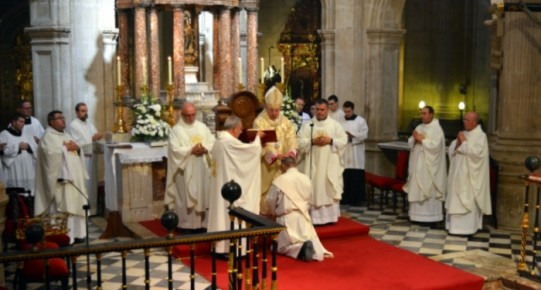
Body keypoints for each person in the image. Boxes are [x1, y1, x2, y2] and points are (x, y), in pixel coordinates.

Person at [207, 115, 263, 255]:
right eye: (239, 129)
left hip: (220, 186)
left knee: (220, 213)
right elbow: (251, 152)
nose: (241, 131)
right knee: (229, 213)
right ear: (233, 129)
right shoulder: (229, 142)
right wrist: (258, 138)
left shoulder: (219, 140)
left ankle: (219, 247)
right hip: (228, 190)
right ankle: (230, 248)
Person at [34, 110, 88, 244]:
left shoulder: (65, 134)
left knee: (75, 203)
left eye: (63, 117)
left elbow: (73, 148)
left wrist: (77, 148)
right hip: (61, 182)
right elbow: (49, 156)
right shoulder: (48, 136)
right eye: (59, 118)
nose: (63, 120)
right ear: (51, 122)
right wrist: (66, 149)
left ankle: (78, 234)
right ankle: (62, 236)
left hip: (73, 180)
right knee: (64, 207)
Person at [266, 156, 333, 261]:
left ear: (284, 166)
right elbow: (310, 197)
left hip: (287, 219)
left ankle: (300, 248)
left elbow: (270, 199)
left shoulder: (280, 180)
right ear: (295, 164)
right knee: (306, 237)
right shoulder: (305, 178)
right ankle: (308, 246)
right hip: (303, 217)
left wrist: (273, 211)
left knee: (280, 247)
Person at [164, 102, 215, 232]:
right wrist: (190, 151)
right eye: (188, 116)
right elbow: (174, 150)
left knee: (203, 194)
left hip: (202, 169)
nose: (191, 118)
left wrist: (205, 148)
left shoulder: (202, 127)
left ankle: (203, 223)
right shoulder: (176, 130)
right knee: (186, 196)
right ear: (182, 114)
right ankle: (186, 224)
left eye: (193, 115)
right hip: (185, 170)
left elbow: (212, 142)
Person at [297, 99, 348, 225]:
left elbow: (343, 140)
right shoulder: (307, 125)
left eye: (322, 110)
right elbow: (298, 141)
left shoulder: (335, 125)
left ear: (327, 110)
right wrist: (312, 142)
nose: (319, 112)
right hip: (312, 164)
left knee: (327, 186)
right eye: (317, 110)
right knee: (313, 187)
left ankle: (329, 217)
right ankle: (313, 217)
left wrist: (330, 141)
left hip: (329, 164)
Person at [253, 86, 297, 215]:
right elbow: (262, 144)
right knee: (266, 193)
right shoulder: (259, 122)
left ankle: (281, 217)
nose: (274, 113)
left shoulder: (285, 121)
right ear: (266, 107)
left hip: (283, 164)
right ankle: (265, 220)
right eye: (271, 110)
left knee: (284, 190)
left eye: (277, 110)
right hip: (267, 166)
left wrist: (290, 154)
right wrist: (277, 155)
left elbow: (291, 138)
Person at [445, 111, 491, 235]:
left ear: (475, 122)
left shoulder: (481, 136)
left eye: (467, 120)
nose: (464, 122)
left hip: (470, 176)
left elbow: (477, 155)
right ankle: (454, 228)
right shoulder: (463, 133)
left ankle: (468, 229)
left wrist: (464, 142)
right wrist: (458, 143)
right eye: (464, 119)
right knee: (455, 198)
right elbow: (452, 151)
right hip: (458, 174)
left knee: (468, 199)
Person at [403, 106, 447, 224]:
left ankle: (431, 218)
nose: (421, 115)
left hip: (429, 168)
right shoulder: (419, 126)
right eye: (421, 113)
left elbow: (436, 147)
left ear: (431, 114)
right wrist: (414, 139)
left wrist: (422, 140)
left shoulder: (437, 129)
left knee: (428, 188)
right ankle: (416, 216)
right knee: (417, 187)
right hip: (418, 164)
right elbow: (411, 141)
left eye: (424, 113)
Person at [67, 102, 103, 216]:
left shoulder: (88, 124)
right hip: (82, 159)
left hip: (91, 157)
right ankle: (84, 210)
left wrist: (97, 136)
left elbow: (94, 134)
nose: (85, 113)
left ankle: (92, 210)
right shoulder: (73, 125)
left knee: (92, 183)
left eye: (86, 111)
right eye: (82, 111)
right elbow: (76, 143)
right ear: (77, 112)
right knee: (84, 183)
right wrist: (92, 138)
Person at [0, 114, 37, 193]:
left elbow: (35, 147)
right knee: (17, 191)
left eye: (24, 122)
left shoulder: (27, 134)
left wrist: (28, 146)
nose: (23, 124)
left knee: (29, 190)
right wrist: (18, 147)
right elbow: (3, 152)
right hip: (14, 168)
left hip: (28, 166)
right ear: (13, 122)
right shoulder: (4, 134)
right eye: (20, 121)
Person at [341, 101, 369, 206]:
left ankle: (357, 199)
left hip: (356, 152)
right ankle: (346, 198)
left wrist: (352, 135)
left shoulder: (361, 121)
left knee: (356, 176)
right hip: (346, 151)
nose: (347, 113)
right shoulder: (341, 122)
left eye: (349, 111)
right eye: (345, 111)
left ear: (353, 109)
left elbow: (364, 134)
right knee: (346, 175)